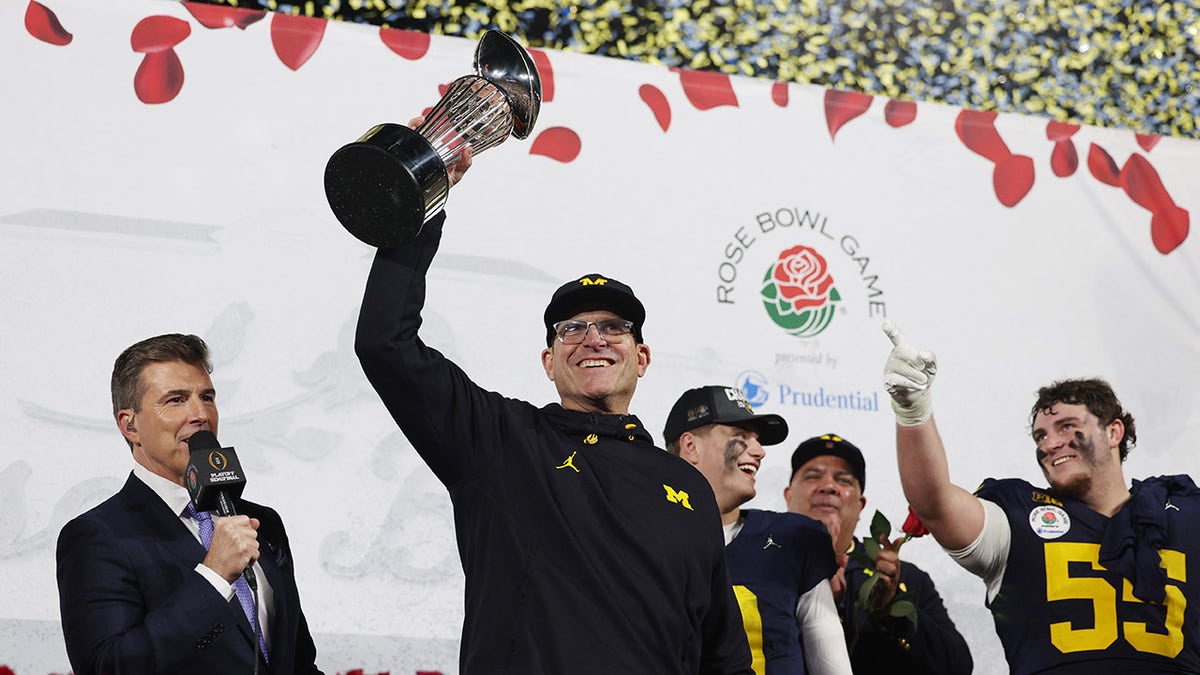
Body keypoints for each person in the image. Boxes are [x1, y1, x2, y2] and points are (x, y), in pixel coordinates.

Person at [353, 149, 751, 673]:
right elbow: (386, 343)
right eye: (571, 329)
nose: (592, 338)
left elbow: (723, 656)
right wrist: (427, 195)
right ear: (549, 360)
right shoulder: (500, 441)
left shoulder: (690, 488)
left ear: (643, 358)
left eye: (613, 327)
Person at [882, 319, 1200, 673]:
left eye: (1066, 426)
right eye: (1040, 436)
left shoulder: (1181, 512)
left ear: (1113, 432)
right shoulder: (1020, 514)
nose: (1050, 444)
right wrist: (912, 410)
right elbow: (935, 504)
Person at [56, 334, 323, 675]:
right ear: (130, 424)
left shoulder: (261, 522)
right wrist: (214, 575)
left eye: (207, 397)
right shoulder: (97, 536)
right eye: (176, 400)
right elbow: (106, 667)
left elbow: (299, 661)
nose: (200, 414)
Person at [663, 385, 852, 674]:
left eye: (758, 440)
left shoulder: (793, 539)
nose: (759, 451)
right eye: (740, 436)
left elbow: (830, 662)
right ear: (691, 446)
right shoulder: (643, 539)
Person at [784, 433, 972, 674]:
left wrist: (888, 613)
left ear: (860, 505)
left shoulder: (903, 579)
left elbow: (957, 668)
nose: (829, 486)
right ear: (789, 495)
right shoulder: (757, 564)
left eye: (843, 480)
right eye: (813, 476)